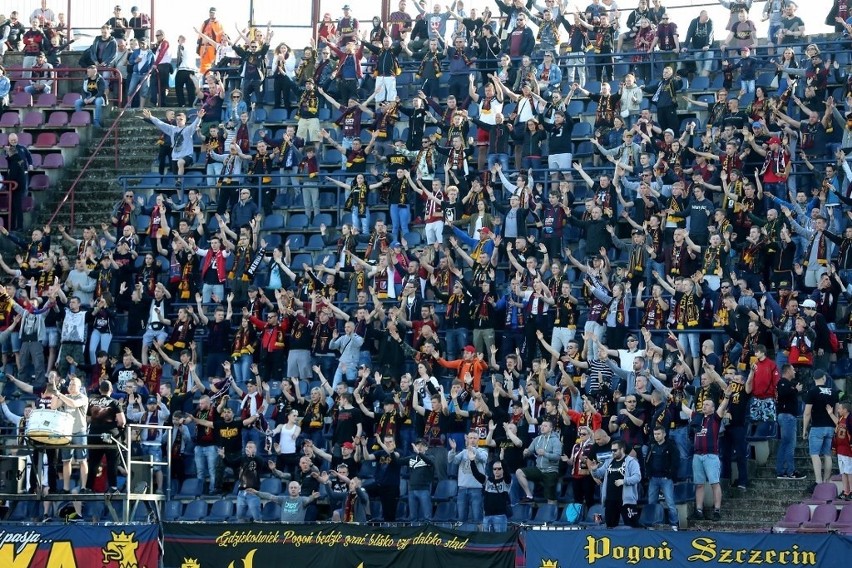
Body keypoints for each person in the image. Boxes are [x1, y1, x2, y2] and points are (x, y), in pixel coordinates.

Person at [684, 388, 731, 522]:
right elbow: (685, 409)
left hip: (711, 455)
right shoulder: (697, 417)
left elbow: (723, 406)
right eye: (703, 404)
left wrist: (727, 397)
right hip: (697, 456)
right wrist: (675, 398)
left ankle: (717, 510)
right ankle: (699, 510)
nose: (704, 406)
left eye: (707, 405)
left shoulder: (715, 418)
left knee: (714, 483)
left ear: (712, 408)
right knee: (699, 484)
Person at [82, 380, 126, 495]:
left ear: (100, 390)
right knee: (112, 462)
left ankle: (88, 488)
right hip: (110, 436)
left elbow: (87, 419)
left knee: (93, 462)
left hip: (94, 435)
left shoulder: (92, 401)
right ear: (111, 390)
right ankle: (113, 487)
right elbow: (122, 421)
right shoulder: (115, 402)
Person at [591, 439, 642, 528]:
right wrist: (594, 469)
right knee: (610, 526)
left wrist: (624, 481)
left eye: (615, 450)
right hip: (610, 499)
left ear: (622, 449)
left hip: (626, 501)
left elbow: (637, 477)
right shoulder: (609, 462)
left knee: (632, 526)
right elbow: (599, 474)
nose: (612, 452)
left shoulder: (631, 461)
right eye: (611, 450)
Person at [803, 370, 839, 487]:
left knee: (815, 454)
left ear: (814, 379)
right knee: (827, 455)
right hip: (830, 426)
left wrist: (804, 429)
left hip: (817, 426)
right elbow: (836, 412)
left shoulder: (812, 392)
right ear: (824, 378)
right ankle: (826, 481)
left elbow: (807, 413)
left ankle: (818, 481)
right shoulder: (834, 392)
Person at [516, 418, 562, 505]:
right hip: (539, 469)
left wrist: (545, 454)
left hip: (550, 471)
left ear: (551, 428)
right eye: (542, 425)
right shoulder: (537, 439)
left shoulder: (555, 441)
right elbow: (529, 451)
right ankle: (529, 495)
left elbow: (557, 457)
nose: (542, 427)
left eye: (545, 426)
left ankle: (551, 515)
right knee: (519, 472)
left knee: (550, 499)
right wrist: (526, 452)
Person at [449, 430, 488, 524]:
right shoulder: (463, 452)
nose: (472, 440)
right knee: (461, 519)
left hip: (476, 489)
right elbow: (452, 460)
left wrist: (472, 449)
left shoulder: (483, 451)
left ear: (478, 440)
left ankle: (478, 537)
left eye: (475, 438)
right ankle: (462, 537)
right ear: (467, 439)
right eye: (470, 438)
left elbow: (482, 458)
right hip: (462, 489)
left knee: (477, 518)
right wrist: (453, 450)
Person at [645, 425, 680, 529]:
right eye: (655, 434)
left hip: (666, 479)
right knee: (651, 503)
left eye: (658, 434)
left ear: (664, 434)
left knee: (670, 502)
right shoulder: (651, 446)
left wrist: (670, 475)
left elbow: (676, 462)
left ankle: (674, 525)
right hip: (653, 479)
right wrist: (649, 474)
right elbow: (647, 461)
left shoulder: (671, 446)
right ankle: (651, 524)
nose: (656, 436)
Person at [249, 480, 320, 522]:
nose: (293, 489)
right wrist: (256, 492)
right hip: (284, 528)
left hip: (298, 529)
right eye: (291, 488)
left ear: (299, 490)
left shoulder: (302, 500)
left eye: (295, 488)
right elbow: (270, 496)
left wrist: (312, 497)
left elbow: (308, 499)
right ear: (288, 489)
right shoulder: (283, 499)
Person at [4, 132, 33, 230]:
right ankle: (11, 226)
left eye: (14, 140)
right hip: (12, 179)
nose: (13, 142)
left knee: (17, 204)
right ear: (9, 140)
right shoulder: (8, 150)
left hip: (20, 179)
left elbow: (24, 159)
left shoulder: (22, 149)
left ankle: (19, 226)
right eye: (11, 140)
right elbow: (13, 158)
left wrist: (29, 165)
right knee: (12, 205)